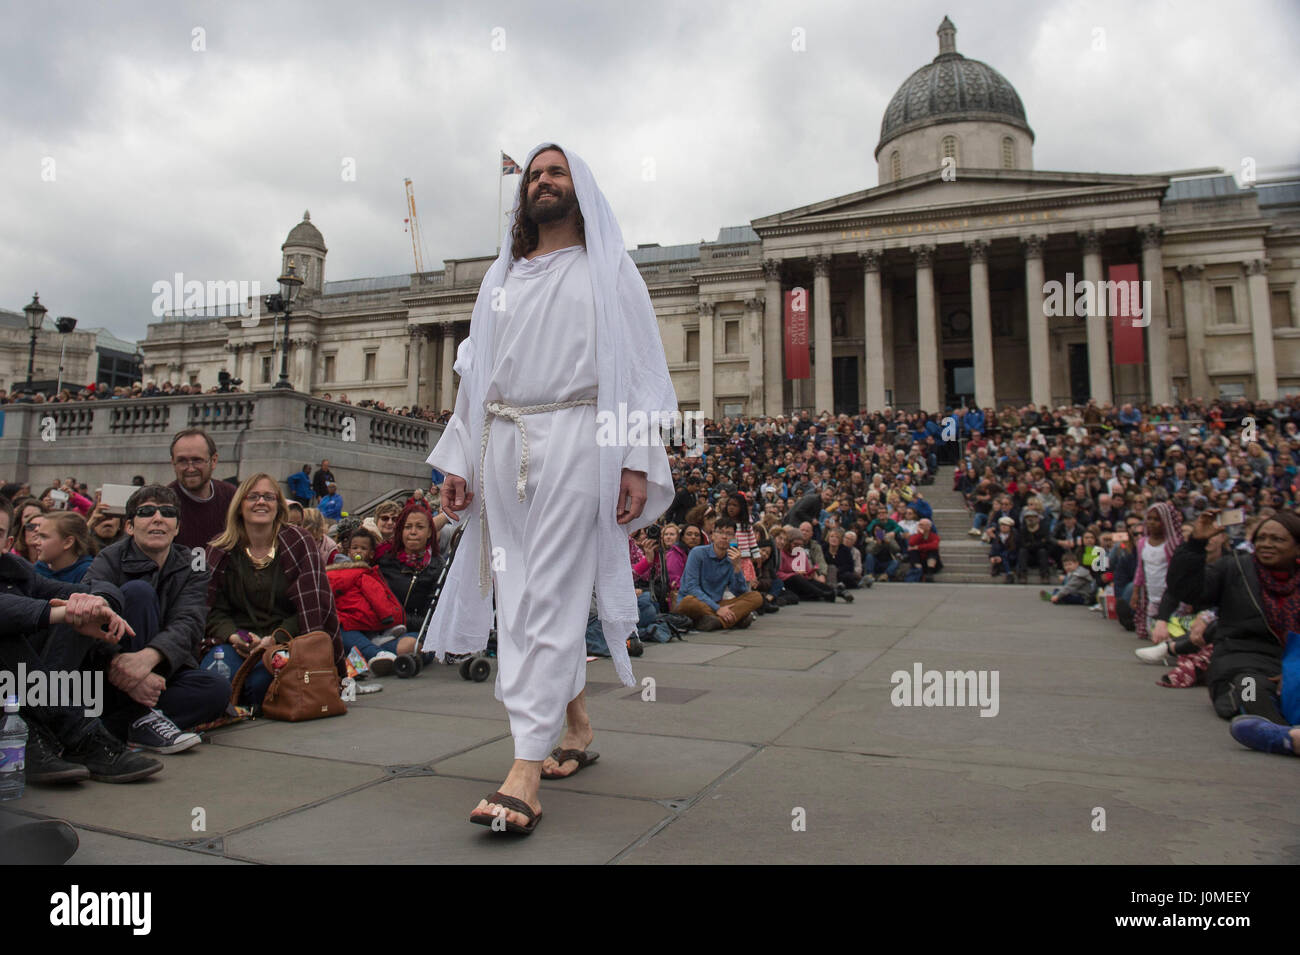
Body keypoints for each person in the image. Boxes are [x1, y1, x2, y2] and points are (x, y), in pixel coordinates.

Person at [428, 143, 676, 834]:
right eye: (534, 174)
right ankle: (575, 722)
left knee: (553, 592)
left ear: (580, 187)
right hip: (503, 437)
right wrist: (459, 459)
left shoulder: (612, 271)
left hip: (579, 436)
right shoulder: (500, 276)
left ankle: (523, 771)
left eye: (555, 171)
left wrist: (634, 456)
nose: (542, 181)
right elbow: (475, 373)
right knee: (518, 591)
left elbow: (638, 368)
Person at [0, 496, 164, 783]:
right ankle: (73, 734)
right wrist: (63, 613)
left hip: (25, 690)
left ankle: (46, 734)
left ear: (7, 543)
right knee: (15, 631)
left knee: (82, 609)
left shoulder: (16, 571)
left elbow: (94, 586)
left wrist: (95, 604)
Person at [83, 485, 227, 752]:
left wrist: (146, 662)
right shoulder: (108, 559)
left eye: (168, 513)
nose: (158, 518)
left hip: (161, 668)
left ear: (177, 527)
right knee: (138, 593)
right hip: (108, 671)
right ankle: (140, 719)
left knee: (216, 690)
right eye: (146, 512)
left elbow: (189, 622)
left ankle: (120, 726)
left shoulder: (193, 564)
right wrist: (119, 664)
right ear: (129, 526)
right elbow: (87, 620)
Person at [201, 474, 344, 707]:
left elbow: (311, 608)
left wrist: (273, 639)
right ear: (239, 505)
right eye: (253, 496)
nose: (261, 502)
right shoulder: (220, 549)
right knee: (212, 682)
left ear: (278, 506)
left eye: (269, 497)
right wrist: (233, 635)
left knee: (259, 686)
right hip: (236, 642)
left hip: (285, 642)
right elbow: (213, 609)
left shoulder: (299, 542)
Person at [1168, 509, 1300, 724]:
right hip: (1241, 667)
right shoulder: (1233, 567)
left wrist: (1293, 674)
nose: (1266, 544)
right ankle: (1279, 734)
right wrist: (1194, 546)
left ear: (1297, 547)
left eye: (1277, 539)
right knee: (1250, 689)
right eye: (1262, 538)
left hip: (1291, 666)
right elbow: (1187, 590)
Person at [673, 518, 763, 630]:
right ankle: (732, 619)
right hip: (697, 602)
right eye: (720, 532)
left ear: (734, 538)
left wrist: (737, 568)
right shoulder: (697, 553)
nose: (724, 537)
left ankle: (717, 622)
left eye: (729, 534)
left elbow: (740, 592)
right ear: (712, 536)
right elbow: (691, 587)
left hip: (717, 603)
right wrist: (717, 609)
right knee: (688, 602)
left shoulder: (732, 557)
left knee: (756, 597)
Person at [168, 429, 237, 550]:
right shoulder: (164, 502)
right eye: (182, 461)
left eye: (197, 460)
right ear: (173, 463)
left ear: (214, 460)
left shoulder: (231, 496)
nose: (190, 469)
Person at [32, 513, 95, 583]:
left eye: (44, 537)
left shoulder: (88, 573)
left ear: (68, 542)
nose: (36, 542)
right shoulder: (38, 569)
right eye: (38, 536)